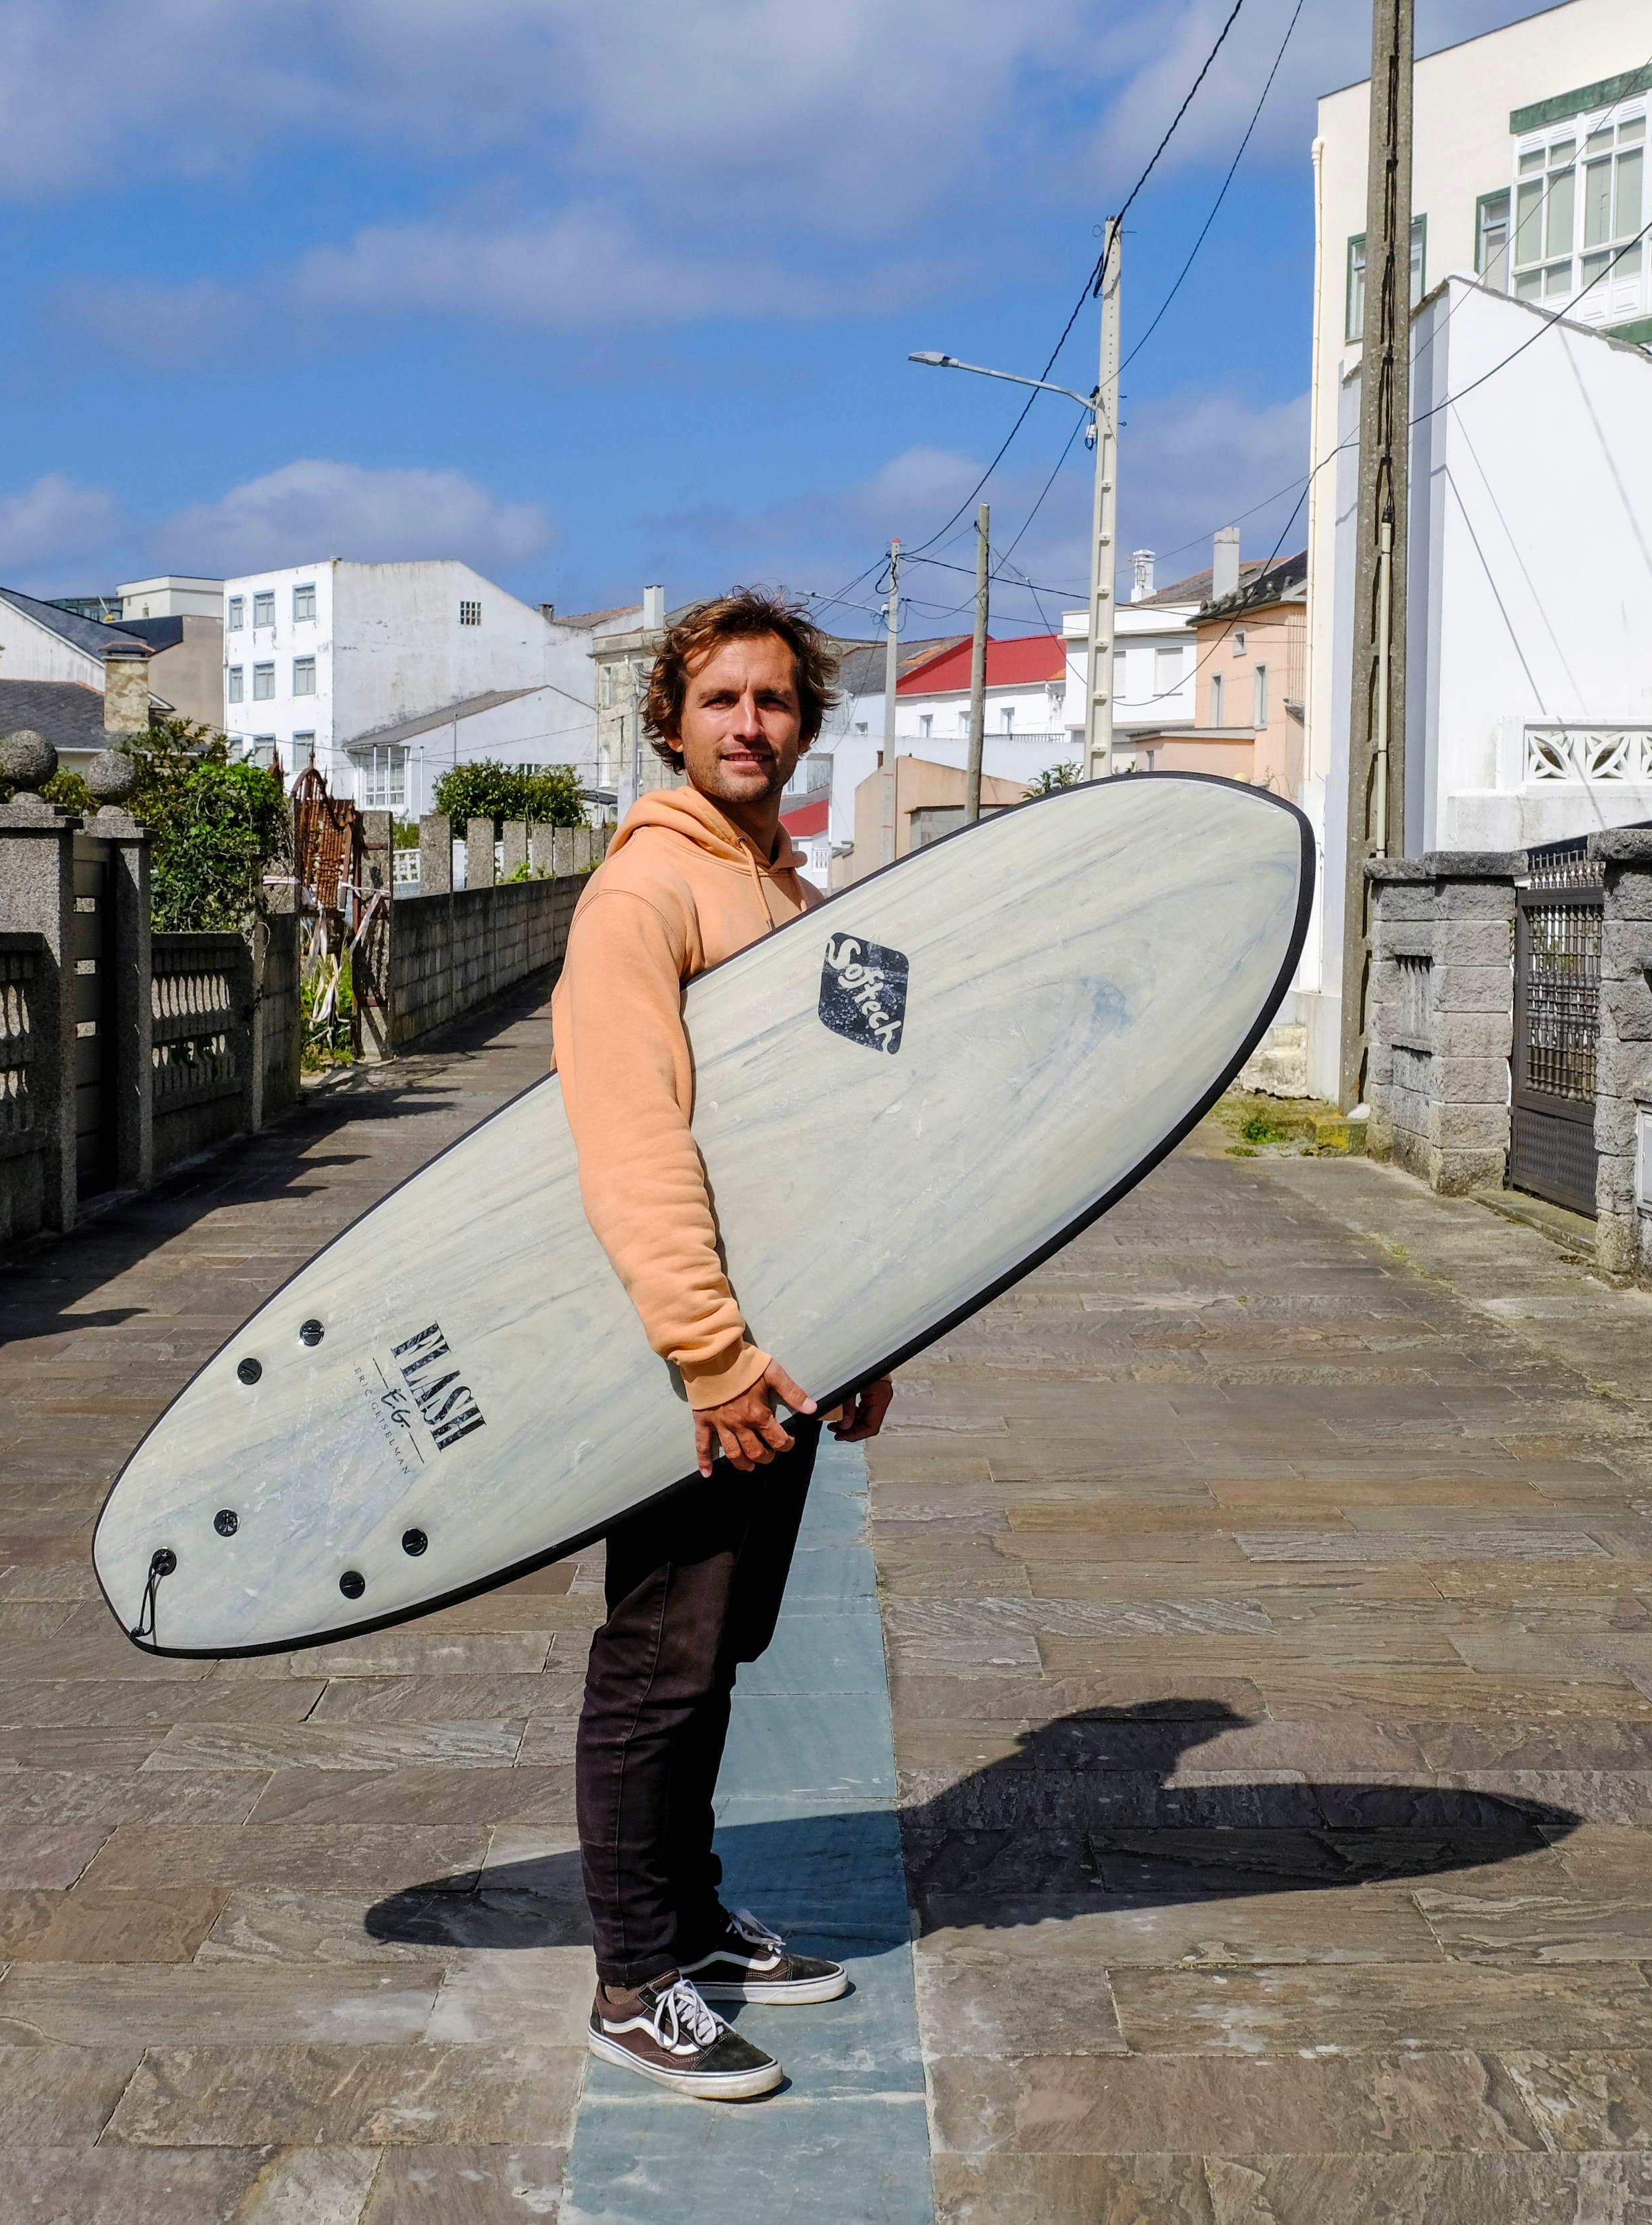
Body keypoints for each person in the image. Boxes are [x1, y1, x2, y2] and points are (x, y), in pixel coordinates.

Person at [551, 588, 896, 2100]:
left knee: (726, 1647)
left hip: (787, 1346)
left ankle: (689, 1917)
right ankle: (634, 1978)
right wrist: (708, 1352)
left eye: (774, 702)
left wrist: (874, 1319)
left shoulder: (787, 887)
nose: (750, 724)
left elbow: (825, 1139)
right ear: (671, 723)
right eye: (721, 702)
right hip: (692, 1355)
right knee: (660, 1659)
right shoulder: (648, 895)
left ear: (804, 725)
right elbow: (633, 1138)